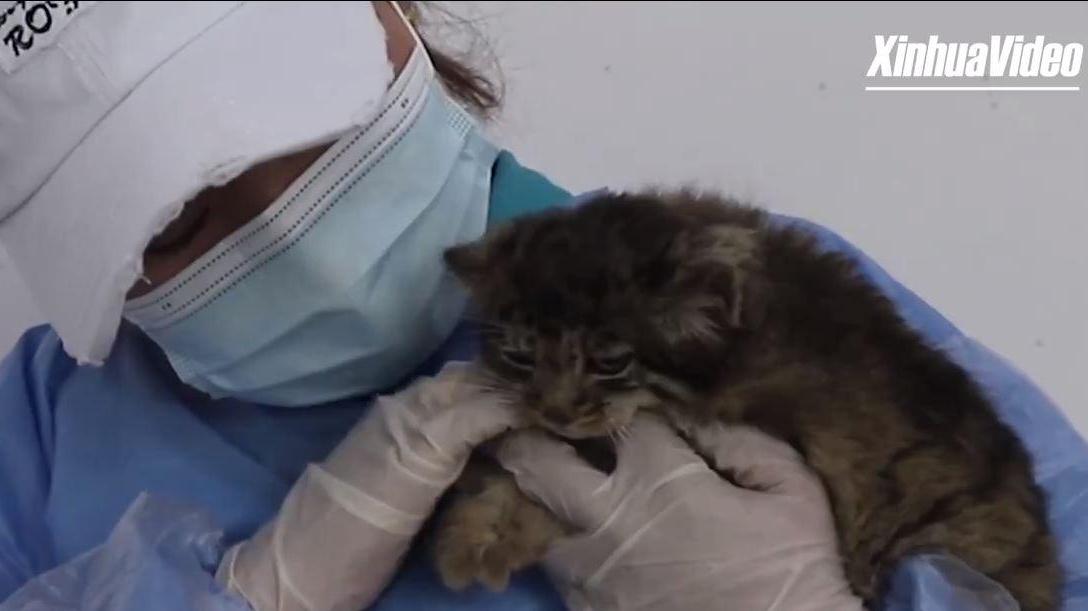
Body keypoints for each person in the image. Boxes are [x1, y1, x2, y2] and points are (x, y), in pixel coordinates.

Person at [1, 3, 1085, 611]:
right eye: (175, 221)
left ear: (391, 19)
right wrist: (239, 597)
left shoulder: (748, 300)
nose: (291, 233)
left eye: (300, 126)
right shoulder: (40, 445)